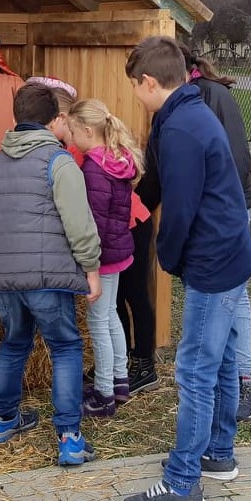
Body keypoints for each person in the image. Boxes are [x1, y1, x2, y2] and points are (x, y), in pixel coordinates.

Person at [122, 36, 251, 501]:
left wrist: (169, 258)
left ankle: (183, 485)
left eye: (134, 86)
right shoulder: (190, 112)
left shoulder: (180, 128)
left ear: (149, 82)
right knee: (220, 361)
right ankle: (218, 453)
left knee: (195, 370)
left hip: (213, 262)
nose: (136, 95)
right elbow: (166, 188)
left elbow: (180, 209)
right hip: (232, 253)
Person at [0, 83, 102, 466]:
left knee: (14, 343)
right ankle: (69, 437)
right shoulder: (59, 161)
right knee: (65, 347)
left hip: (1, 276)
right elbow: (79, 223)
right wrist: (91, 269)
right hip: (45, 276)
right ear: (56, 120)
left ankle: (3, 420)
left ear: (17, 117)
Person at [180, 43, 251, 421]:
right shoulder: (204, 93)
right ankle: (230, 378)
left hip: (227, 210)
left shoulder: (206, 97)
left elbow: (230, 158)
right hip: (226, 207)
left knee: (235, 297)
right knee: (230, 297)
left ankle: (243, 378)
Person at [67, 99, 143, 416]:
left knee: (98, 322)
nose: (71, 140)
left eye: (73, 132)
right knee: (110, 315)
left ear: (88, 131)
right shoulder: (116, 160)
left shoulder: (93, 169)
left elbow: (93, 222)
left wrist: (90, 265)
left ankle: (103, 395)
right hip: (118, 249)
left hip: (103, 256)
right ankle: (119, 380)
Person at [116, 142, 161, 395]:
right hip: (117, 230)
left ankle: (145, 365)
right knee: (116, 299)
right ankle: (119, 360)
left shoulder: (83, 148)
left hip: (134, 226)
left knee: (137, 296)